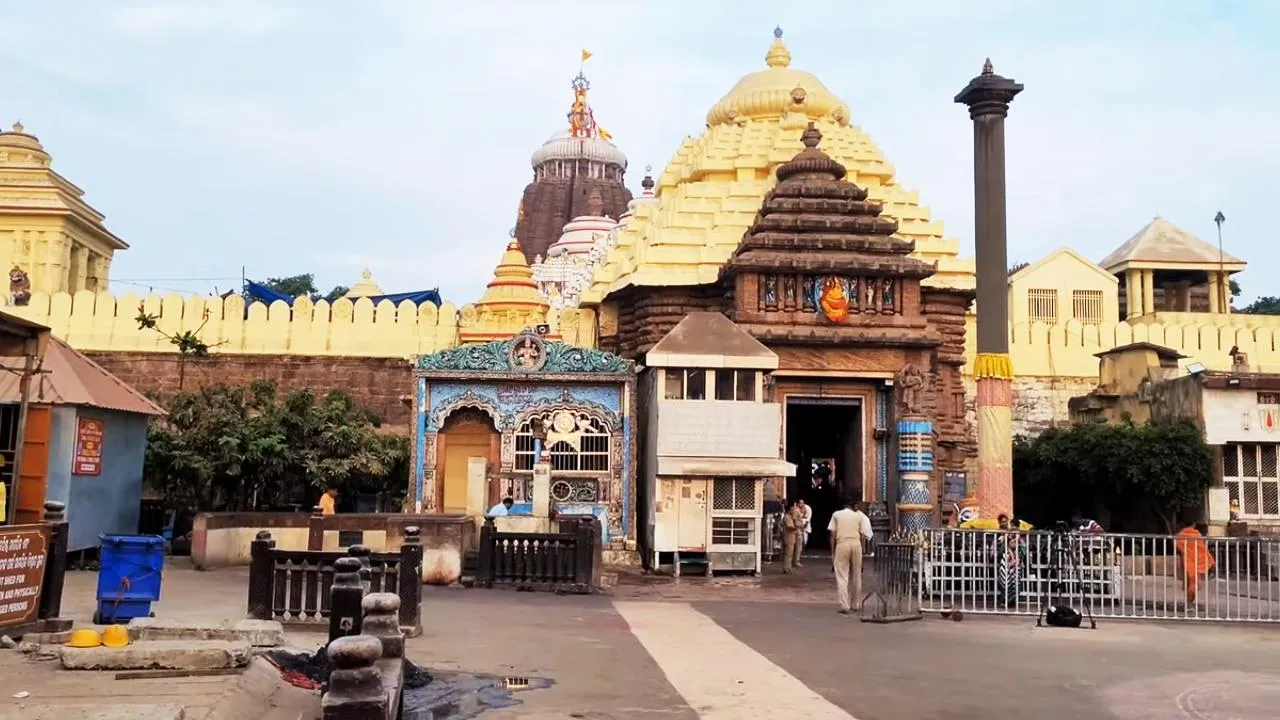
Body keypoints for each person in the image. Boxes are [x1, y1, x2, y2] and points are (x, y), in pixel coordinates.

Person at [828, 498, 874, 614]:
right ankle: (856, 604)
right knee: (857, 575)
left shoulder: (836, 514)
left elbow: (833, 534)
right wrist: (862, 549)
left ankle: (844, 605)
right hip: (856, 543)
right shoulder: (859, 516)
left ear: (844, 506)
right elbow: (863, 534)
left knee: (842, 575)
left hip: (842, 543)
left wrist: (833, 551)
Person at [781, 502, 803, 573]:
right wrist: (796, 527)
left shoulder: (790, 517)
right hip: (788, 536)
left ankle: (788, 567)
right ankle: (786, 568)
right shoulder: (787, 517)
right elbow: (789, 526)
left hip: (792, 537)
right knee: (788, 553)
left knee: (791, 553)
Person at [796, 498, 812, 565]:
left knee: (805, 541)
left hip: (805, 526)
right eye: (800, 503)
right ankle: (797, 557)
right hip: (798, 527)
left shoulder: (808, 508)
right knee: (799, 542)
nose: (801, 504)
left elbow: (808, 518)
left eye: (802, 503)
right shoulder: (796, 509)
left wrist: (804, 525)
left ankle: (800, 551)